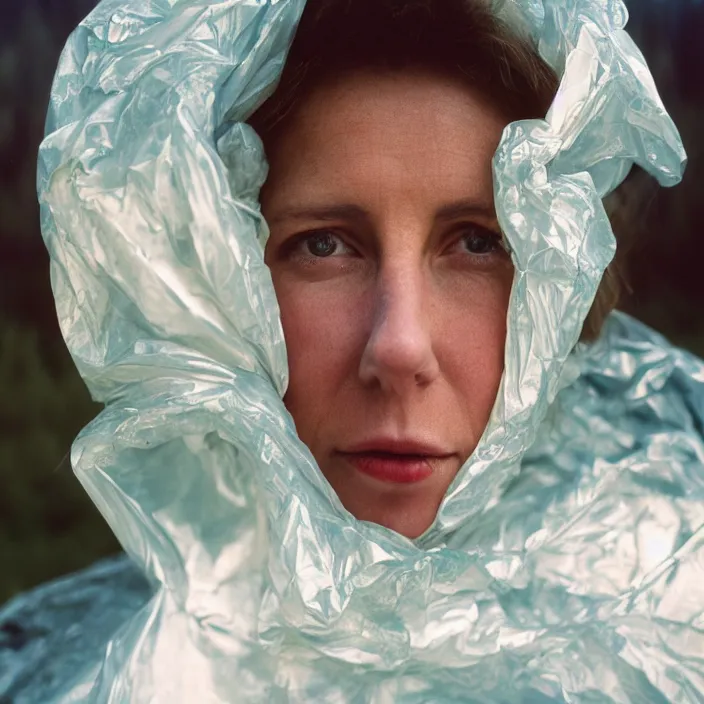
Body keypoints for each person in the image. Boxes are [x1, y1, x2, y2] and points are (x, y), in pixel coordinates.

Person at [1, 0, 701, 701]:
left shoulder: (677, 629)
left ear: (559, 281)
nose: (399, 347)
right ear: (210, 288)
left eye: (478, 243)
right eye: (324, 245)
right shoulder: (49, 669)